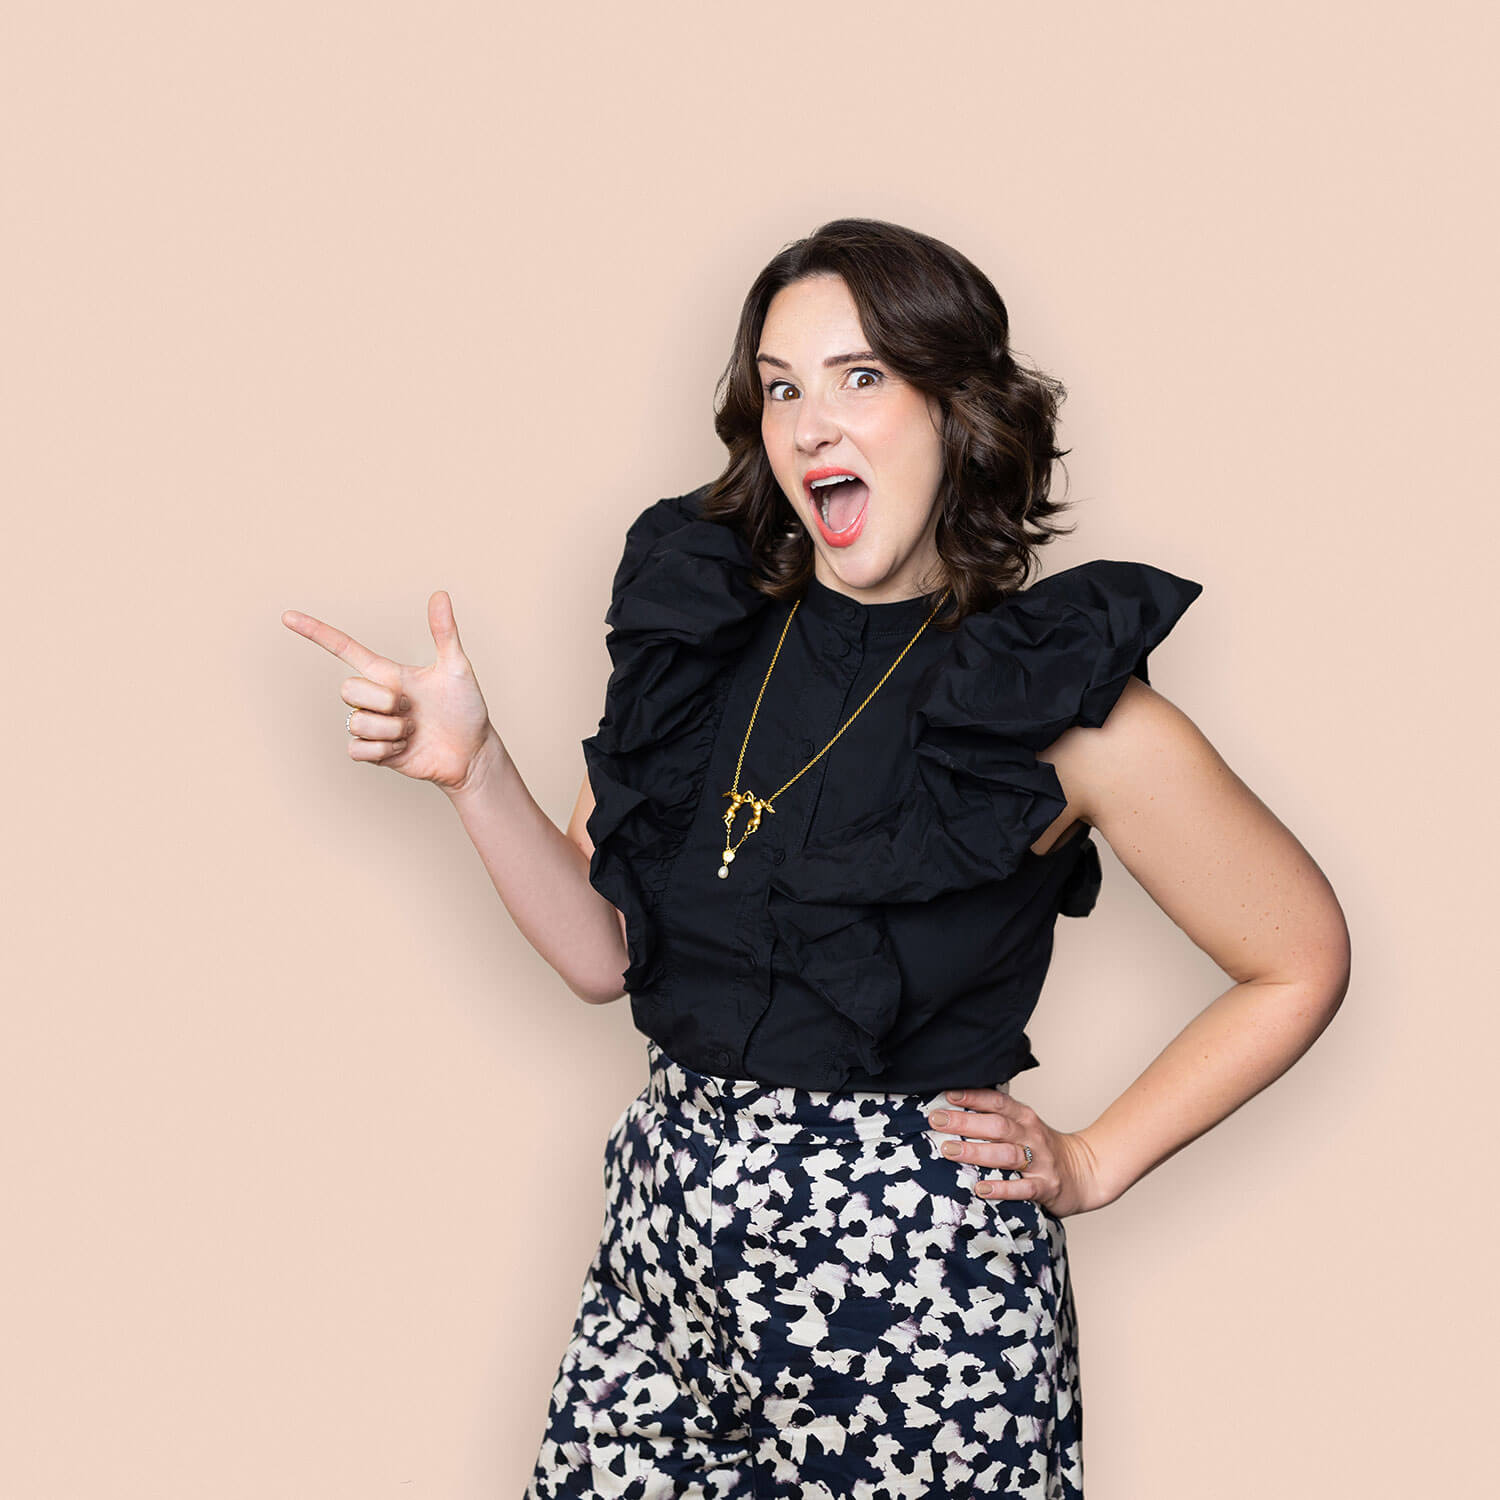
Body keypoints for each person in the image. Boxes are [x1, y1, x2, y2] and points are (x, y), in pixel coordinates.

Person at [282, 218, 1351, 1498]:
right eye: (782, 388)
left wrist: (1097, 1158)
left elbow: (1297, 959)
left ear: (958, 408)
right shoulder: (710, 638)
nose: (810, 425)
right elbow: (603, 957)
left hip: (917, 1301)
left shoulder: (1061, 703)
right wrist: (475, 772)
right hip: (664, 1262)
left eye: (860, 378)